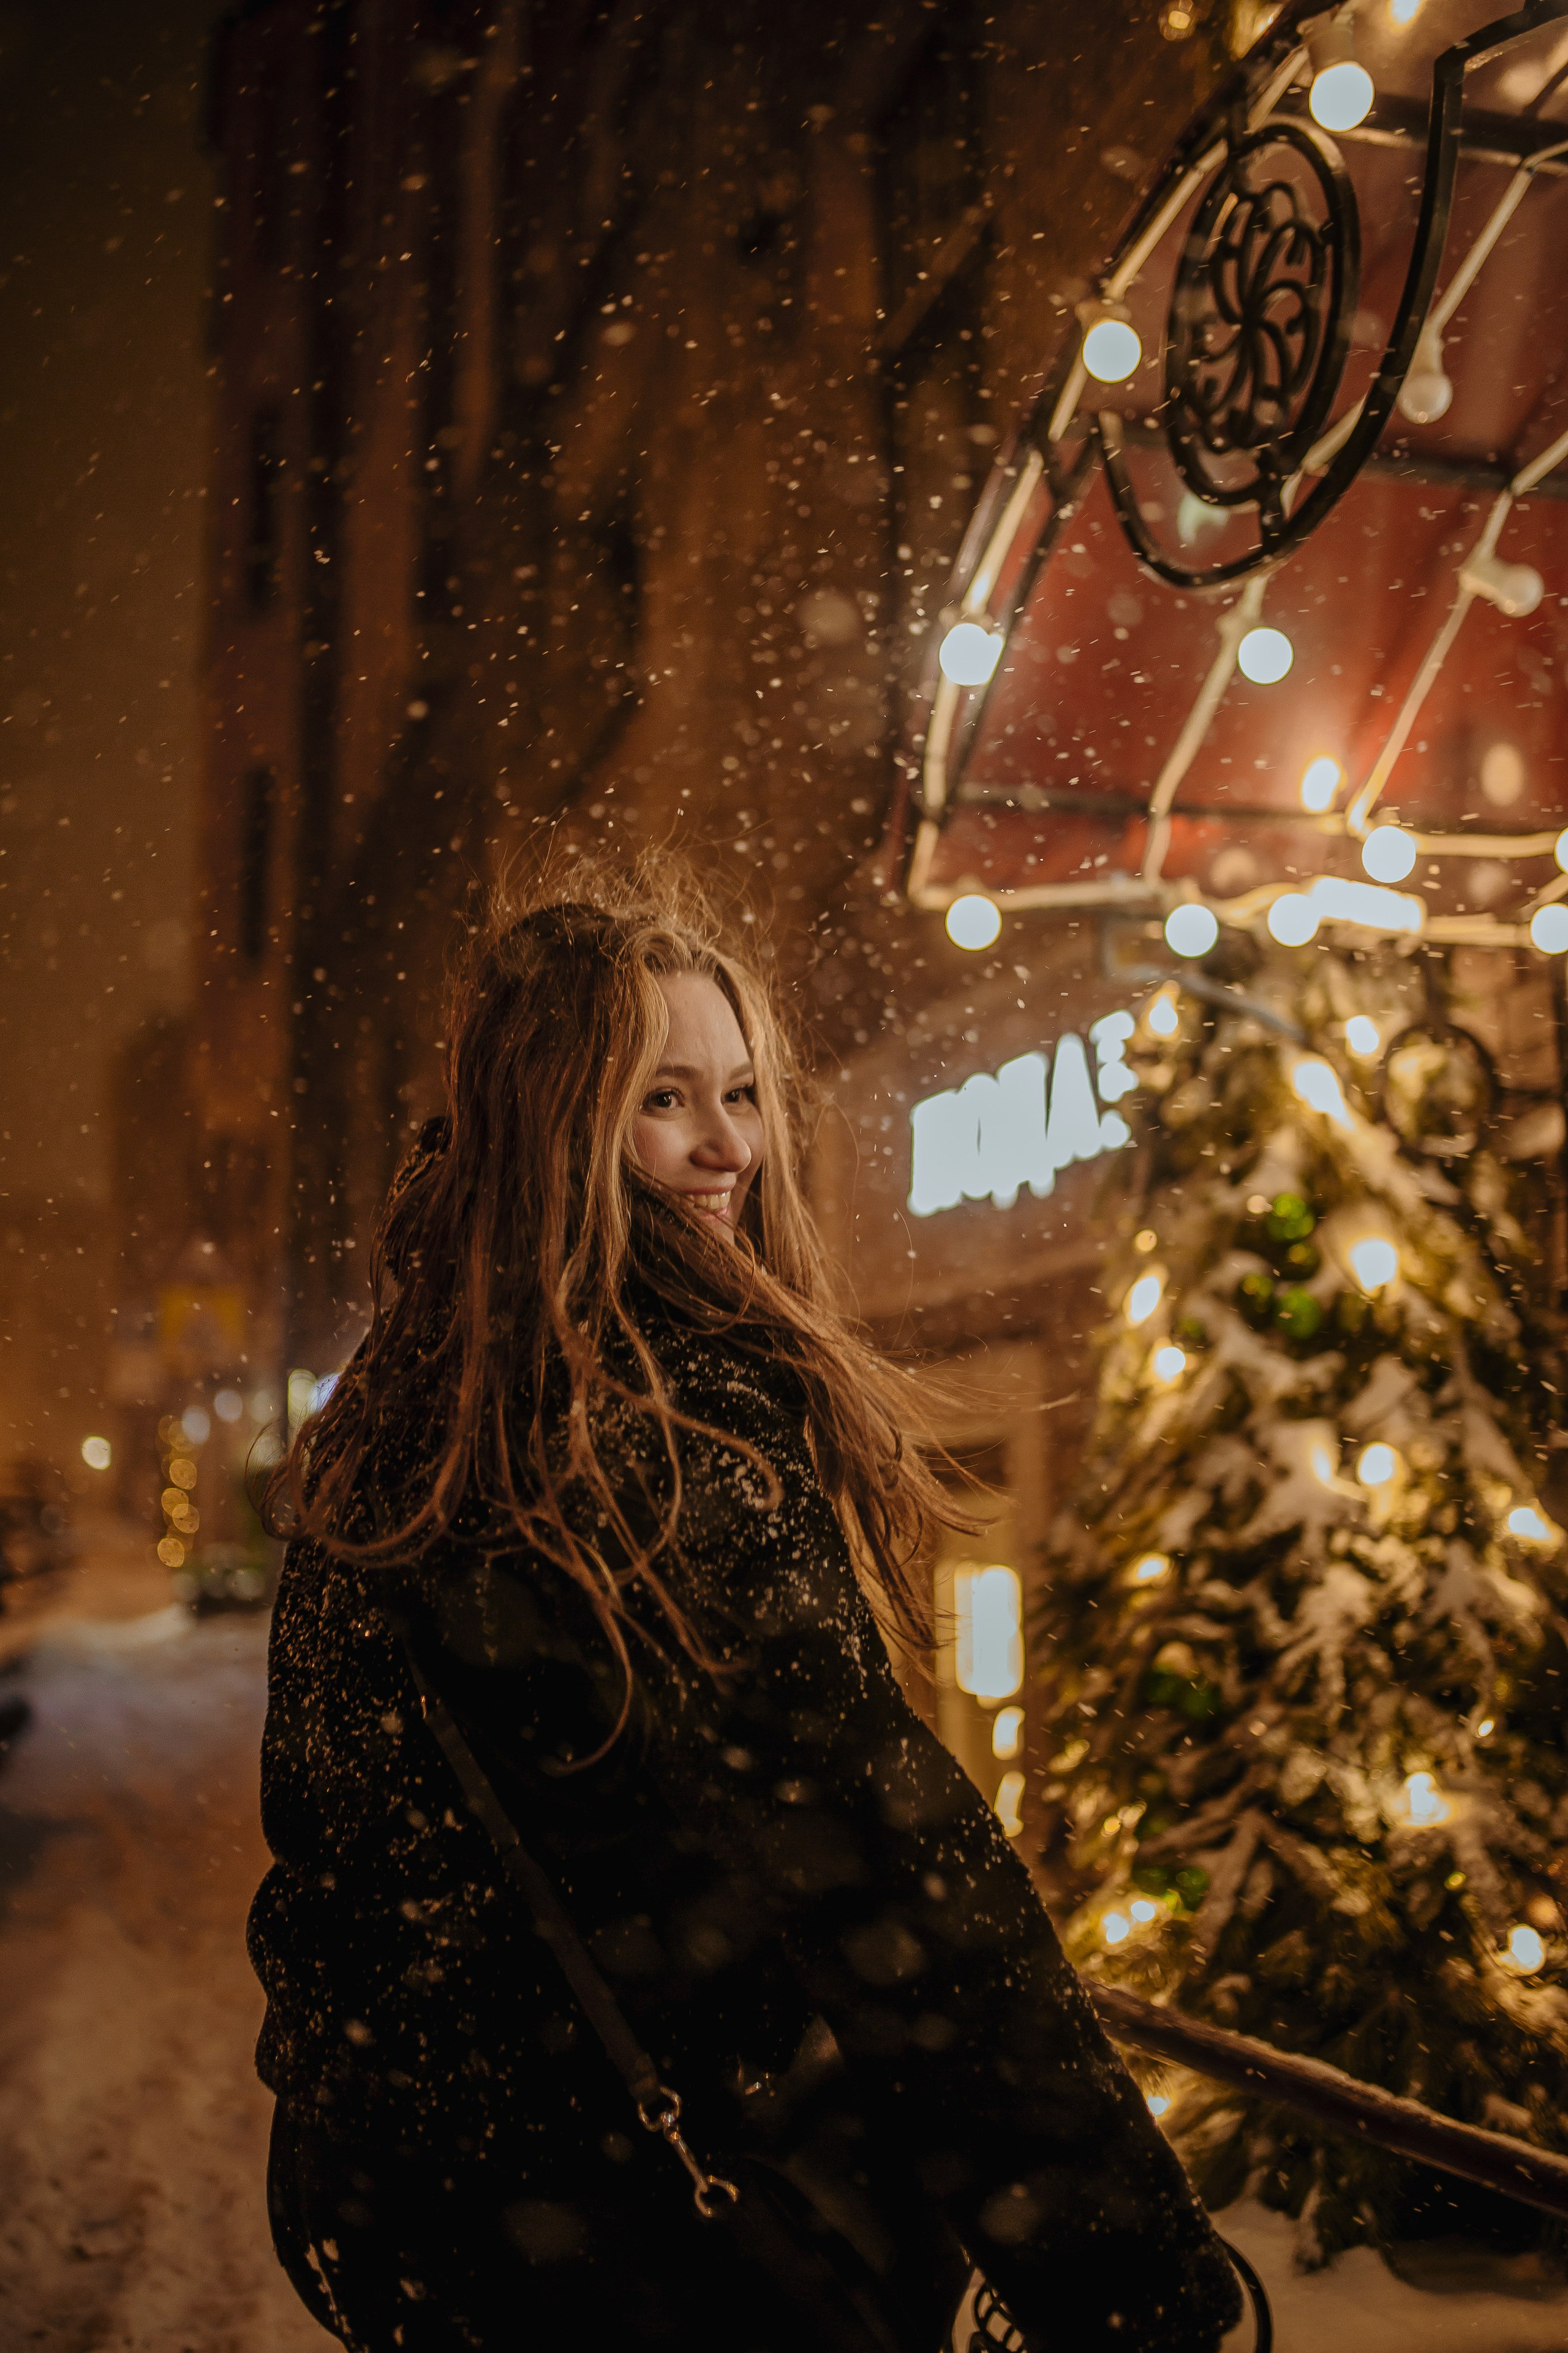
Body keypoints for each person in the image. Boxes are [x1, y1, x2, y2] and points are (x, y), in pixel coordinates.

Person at [249, 855, 1243, 2353]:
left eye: (741, 1092)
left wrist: (404, 2128)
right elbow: (885, 1872)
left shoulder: (398, 1417)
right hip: (674, 2244)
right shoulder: (668, 1426)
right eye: (662, 1098)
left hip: (445, 2239)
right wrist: (1123, 2259)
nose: (724, 1148)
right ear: (553, 1124)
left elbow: (324, 1874)